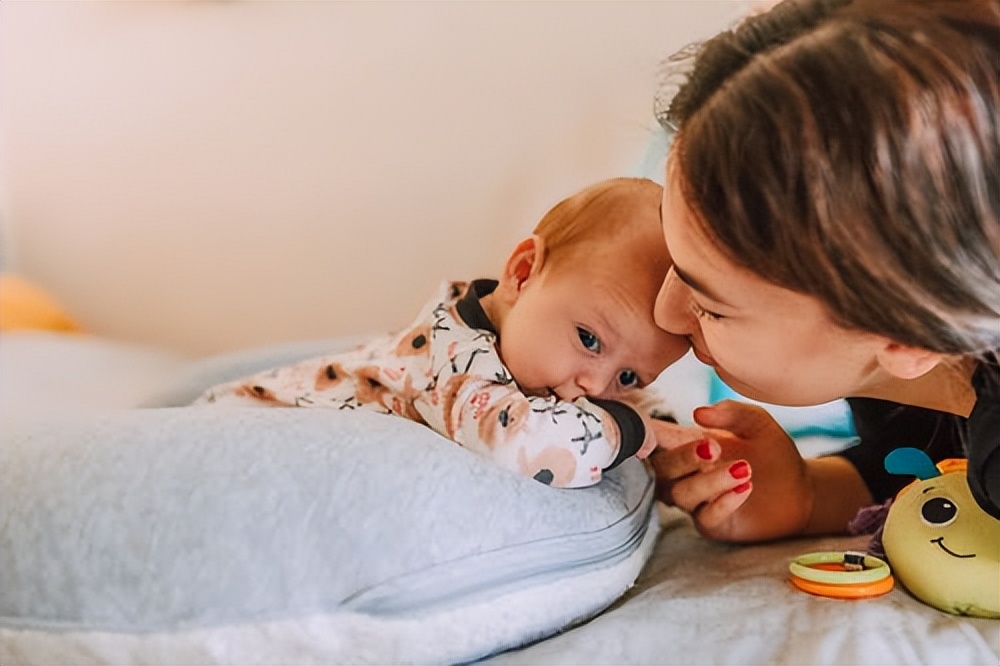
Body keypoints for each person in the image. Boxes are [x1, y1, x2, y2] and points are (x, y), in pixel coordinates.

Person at [647, 0, 998, 542]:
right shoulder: (922, 367)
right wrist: (806, 493)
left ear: (908, 333)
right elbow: (923, 463)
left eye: (711, 306)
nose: (663, 314)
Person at [194, 177, 695, 488]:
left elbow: (623, 410)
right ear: (522, 274)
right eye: (589, 340)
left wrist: (677, 446)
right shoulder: (455, 360)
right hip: (237, 430)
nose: (594, 386)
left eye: (629, 375)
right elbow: (518, 441)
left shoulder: (543, 356)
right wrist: (631, 433)